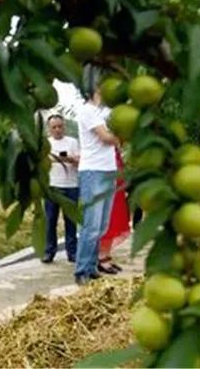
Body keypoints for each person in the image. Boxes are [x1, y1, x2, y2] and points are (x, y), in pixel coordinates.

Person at [74, 72, 120, 286]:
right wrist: (124, 134)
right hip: (93, 171)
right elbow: (107, 137)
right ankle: (82, 269)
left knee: (101, 225)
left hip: (108, 170)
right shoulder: (87, 110)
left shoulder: (105, 112)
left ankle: (91, 267)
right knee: (91, 225)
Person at [41, 114, 80, 264]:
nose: (57, 129)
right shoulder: (45, 144)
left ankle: (72, 252)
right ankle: (49, 251)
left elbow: (79, 161)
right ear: (49, 129)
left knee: (71, 221)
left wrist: (69, 159)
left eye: (60, 126)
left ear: (64, 126)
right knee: (50, 221)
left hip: (71, 185)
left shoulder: (72, 142)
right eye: (54, 127)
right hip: (52, 187)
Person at [98, 149, 130, 274]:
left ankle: (106, 256)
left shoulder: (115, 151)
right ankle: (101, 259)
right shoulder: (100, 152)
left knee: (115, 225)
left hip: (118, 193)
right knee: (108, 226)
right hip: (107, 193)